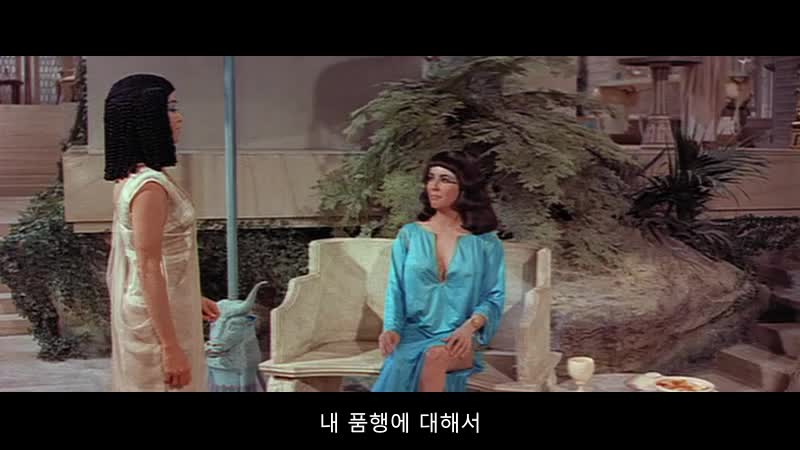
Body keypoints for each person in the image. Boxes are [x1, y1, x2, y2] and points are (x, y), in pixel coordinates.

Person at [104, 74, 219, 392]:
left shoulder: (138, 178)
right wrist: (169, 346)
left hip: (166, 303)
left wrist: (191, 296)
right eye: (169, 108)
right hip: (156, 320)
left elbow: (156, 257)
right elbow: (147, 265)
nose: (179, 117)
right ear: (144, 117)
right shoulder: (149, 187)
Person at [371, 150, 506, 392]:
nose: (433, 186)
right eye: (430, 178)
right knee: (403, 362)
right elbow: (396, 289)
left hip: (459, 337)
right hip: (413, 334)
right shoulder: (410, 235)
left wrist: (469, 328)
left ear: (464, 187)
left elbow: (493, 297)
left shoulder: (485, 242)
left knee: (435, 356)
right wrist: (390, 328)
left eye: (445, 179)